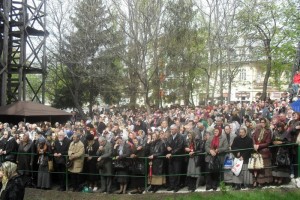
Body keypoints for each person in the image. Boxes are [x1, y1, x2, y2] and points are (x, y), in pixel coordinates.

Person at [252, 118, 273, 187]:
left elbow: (268, 142)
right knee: (257, 167)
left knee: (264, 168)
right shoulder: (257, 129)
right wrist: (254, 144)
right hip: (256, 150)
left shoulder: (268, 131)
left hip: (264, 151)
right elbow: (253, 137)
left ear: (266, 122)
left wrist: (259, 146)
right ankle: (256, 181)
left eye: (263, 122)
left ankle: (263, 182)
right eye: (261, 122)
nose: (262, 123)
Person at [166, 124, 185, 192]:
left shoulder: (180, 137)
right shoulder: (170, 137)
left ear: (176, 130)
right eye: (171, 129)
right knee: (171, 172)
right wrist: (167, 147)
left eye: (173, 129)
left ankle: (176, 186)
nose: (171, 130)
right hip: (170, 158)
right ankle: (171, 185)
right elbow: (167, 143)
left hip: (177, 158)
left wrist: (171, 153)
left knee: (177, 172)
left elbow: (180, 148)